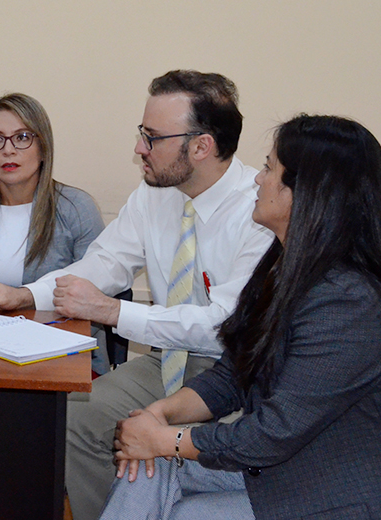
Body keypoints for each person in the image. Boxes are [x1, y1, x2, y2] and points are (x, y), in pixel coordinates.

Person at [0, 70, 275, 519]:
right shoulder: (154, 194)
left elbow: (224, 328)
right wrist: (23, 294)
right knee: (76, 419)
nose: (139, 149)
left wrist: (111, 311)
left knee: (175, 456)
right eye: (141, 134)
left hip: (238, 373)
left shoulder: (260, 209)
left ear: (200, 146)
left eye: (152, 137)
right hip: (169, 359)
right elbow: (101, 264)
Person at [102, 114, 381, 519]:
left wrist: (165, 440)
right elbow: (234, 373)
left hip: (326, 488)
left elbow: (274, 431)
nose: (257, 179)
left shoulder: (349, 301)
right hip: (273, 469)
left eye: (269, 168)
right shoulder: (284, 265)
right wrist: (159, 415)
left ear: (306, 193)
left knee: (180, 504)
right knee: (144, 469)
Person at [0, 93, 104, 294]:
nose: (8, 150)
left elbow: (92, 298)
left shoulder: (77, 208)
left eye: (22, 137)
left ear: (43, 148)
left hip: (57, 326)